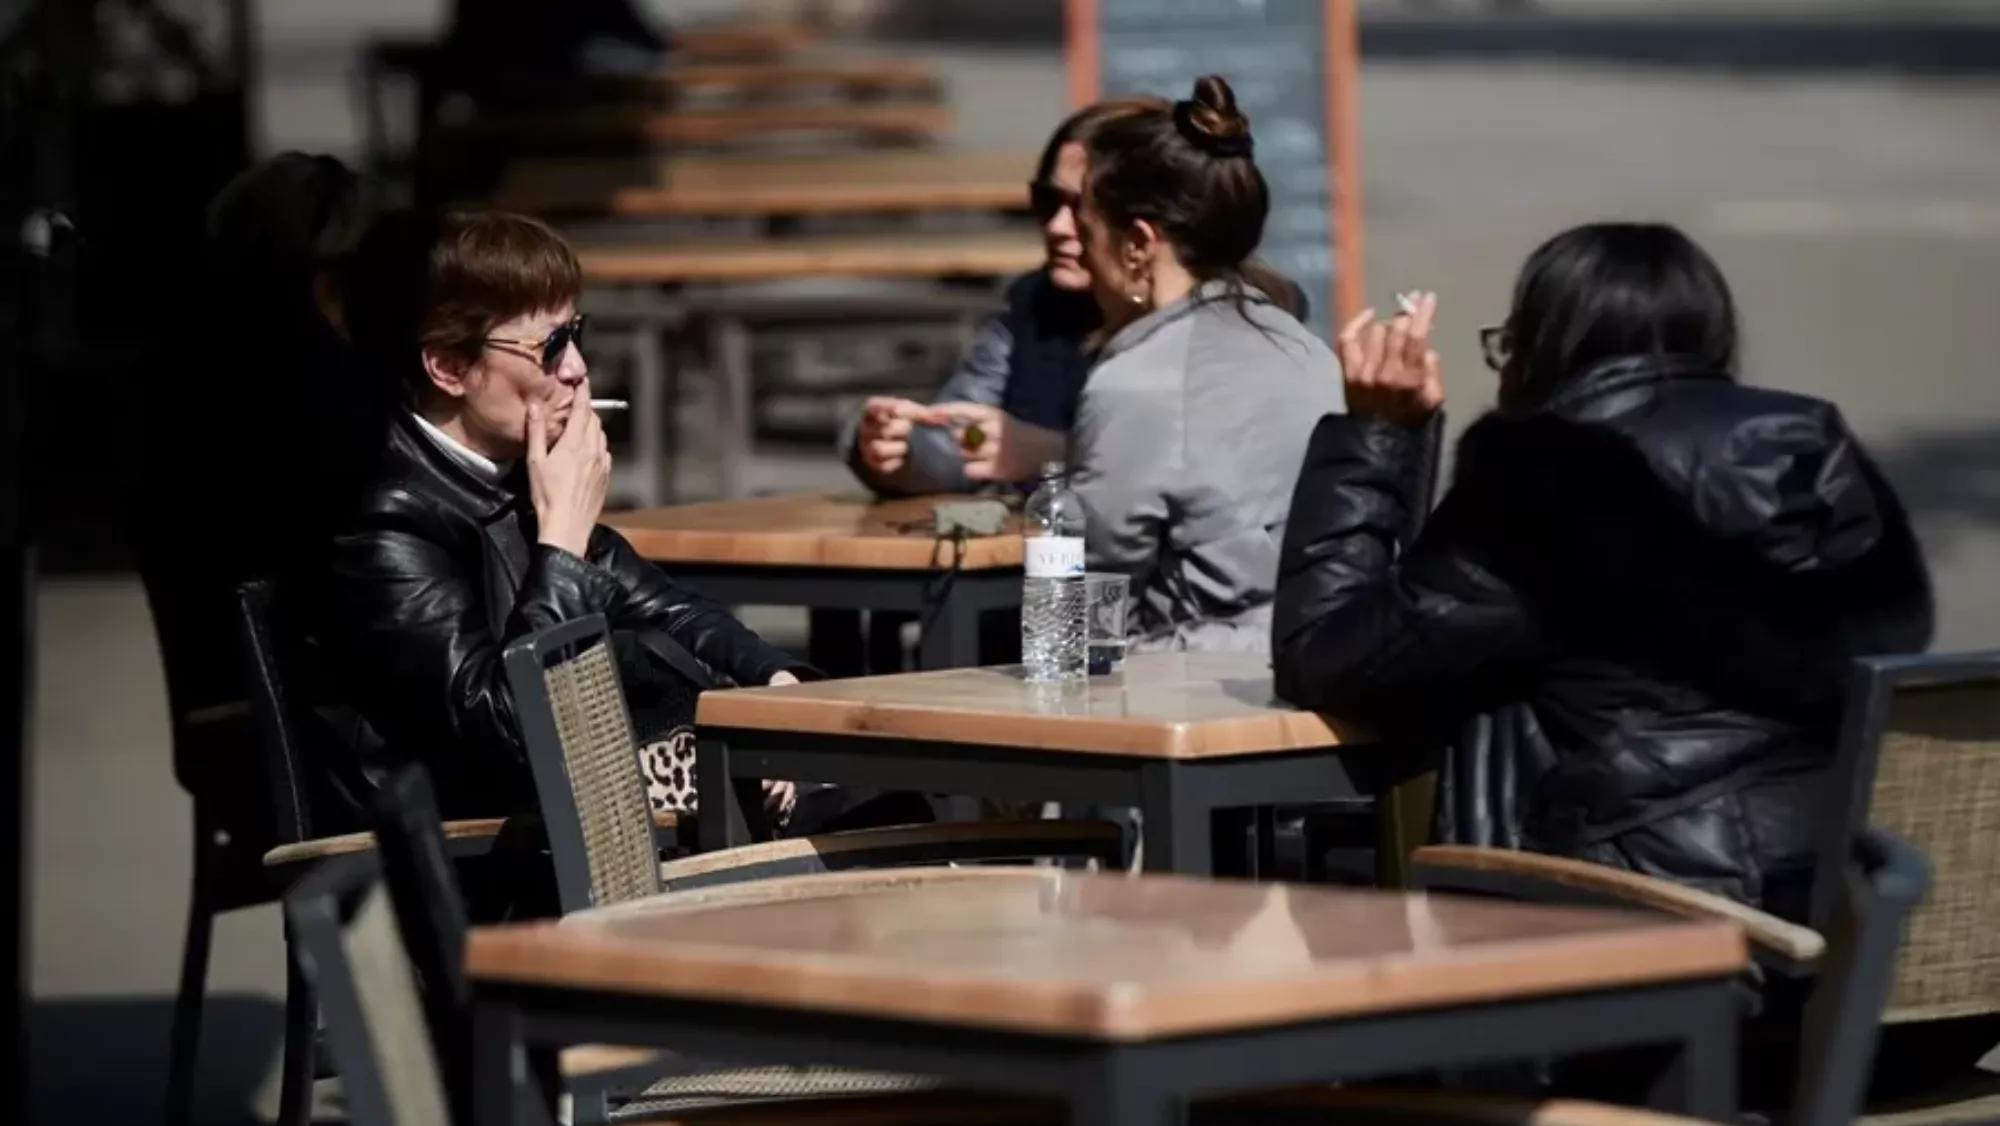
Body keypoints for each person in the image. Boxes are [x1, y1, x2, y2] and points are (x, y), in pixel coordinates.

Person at [1271, 222, 1932, 921]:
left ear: (1543, 346)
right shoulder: (1814, 451)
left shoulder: (1543, 485)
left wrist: (1377, 430)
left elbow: (1328, 654)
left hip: (1628, 925)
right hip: (1841, 910)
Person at [316, 208, 924, 842]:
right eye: (548, 346)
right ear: (447, 367)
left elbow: (671, 612)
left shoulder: (514, 474)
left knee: (885, 792)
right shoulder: (384, 526)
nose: (576, 367)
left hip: (595, 822)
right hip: (491, 860)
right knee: (879, 817)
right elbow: (508, 733)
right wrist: (563, 545)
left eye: (576, 332)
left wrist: (776, 686)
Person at [943, 75, 1344, 653]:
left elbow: (1082, 614)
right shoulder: (1305, 349)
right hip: (1308, 660)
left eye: (1085, 229)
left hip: (1182, 689)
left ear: (1137, 243)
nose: (1073, 244)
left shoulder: (1136, 382)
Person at [840, 99, 1157, 497]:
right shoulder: (1035, 307)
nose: (1058, 227)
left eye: (1082, 209)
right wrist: (895, 447)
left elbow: (1210, 474)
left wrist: (1055, 455)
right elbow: (967, 442)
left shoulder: (1211, 327)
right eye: (1047, 202)